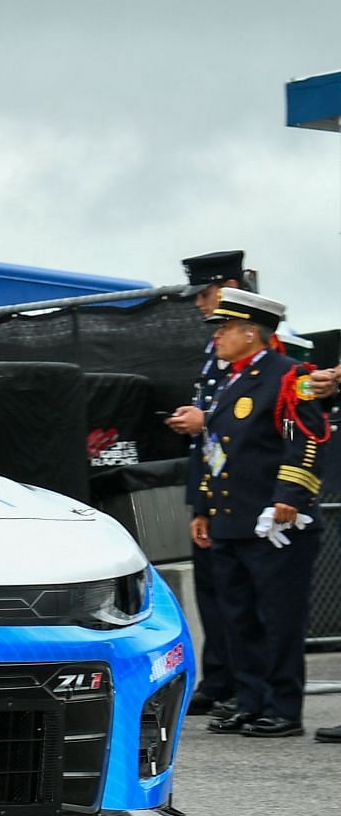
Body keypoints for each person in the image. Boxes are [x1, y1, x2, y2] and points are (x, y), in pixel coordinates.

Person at [188, 290, 327, 739]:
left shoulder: (288, 377)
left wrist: (289, 494)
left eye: (225, 329)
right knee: (238, 617)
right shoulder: (230, 380)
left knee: (277, 618)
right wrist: (206, 508)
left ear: (251, 332)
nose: (218, 337)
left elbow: (300, 435)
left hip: (274, 523)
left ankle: (282, 707)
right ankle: (248, 701)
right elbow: (216, 451)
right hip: (231, 519)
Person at [164, 249, 247, 717]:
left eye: (206, 293)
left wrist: (207, 418)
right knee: (214, 596)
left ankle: (246, 686)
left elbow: (281, 423)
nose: (199, 304)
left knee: (243, 602)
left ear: (230, 288)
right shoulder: (215, 350)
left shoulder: (272, 348)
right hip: (214, 491)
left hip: (248, 495)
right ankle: (220, 680)